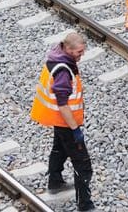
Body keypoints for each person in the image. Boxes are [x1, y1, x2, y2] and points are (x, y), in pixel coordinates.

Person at [30, 32, 95, 211]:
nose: (81, 55)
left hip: (58, 121)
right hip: (66, 121)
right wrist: (75, 129)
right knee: (82, 163)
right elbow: (63, 103)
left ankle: (55, 182)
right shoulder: (63, 72)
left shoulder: (56, 58)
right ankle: (85, 205)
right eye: (78, 52)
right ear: (67, 48)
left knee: (59, 149)